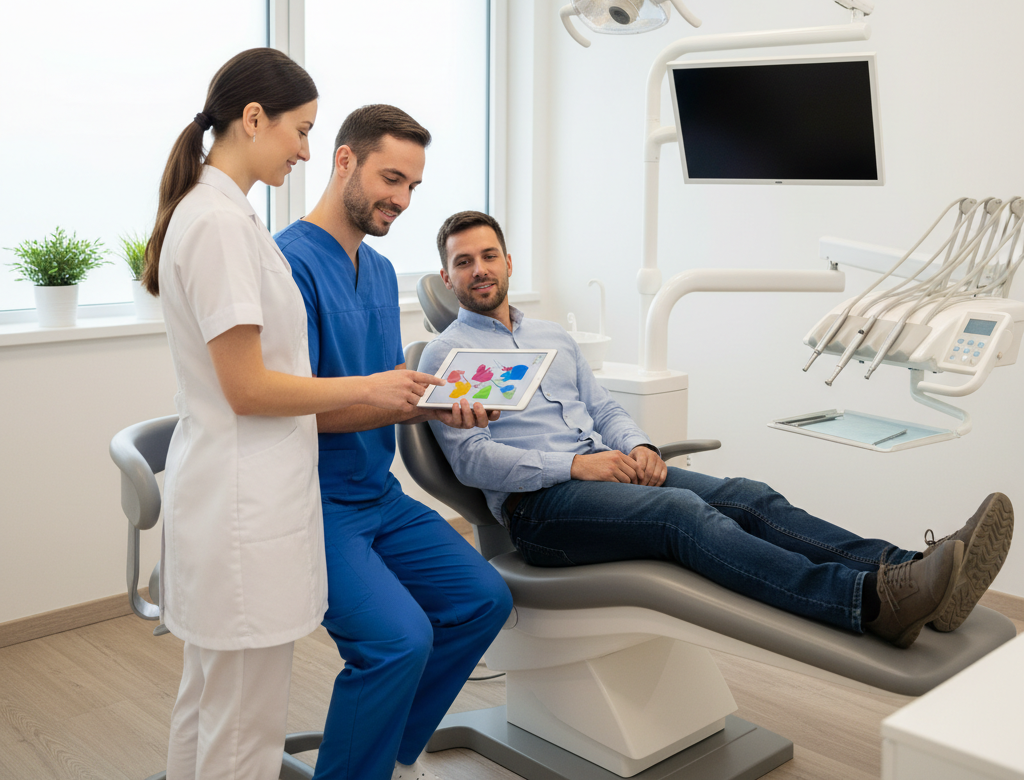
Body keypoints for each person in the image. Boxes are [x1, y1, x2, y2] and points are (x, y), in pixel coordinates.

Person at [420, 210, 1015, 650]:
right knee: (681, 513)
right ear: (448, 278)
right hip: (541, 512)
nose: (479, 270)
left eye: (488, 255)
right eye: (463, 262)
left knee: (746, 495)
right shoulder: (447, 359)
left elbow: (604, 411)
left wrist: (640, 445)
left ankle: (912, 569)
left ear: (508, 262)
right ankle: (869, 602)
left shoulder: (553, 336)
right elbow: (473, 461)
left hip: (612, 471)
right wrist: (576, 466)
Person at [144, 51, 442, 780]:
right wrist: (367, 391)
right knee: (244, 731)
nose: (306, 149)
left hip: (242, 498)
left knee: (211, 708)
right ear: (253, 119)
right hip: (246, 507)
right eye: (300, 130)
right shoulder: (217, 223)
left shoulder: (224, 215)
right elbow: (248, 387)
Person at [275, 106, 513, 780]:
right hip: (311, 502)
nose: (402, 200)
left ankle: (384, 755)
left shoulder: (380, 272)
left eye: (412, 186)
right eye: (390, 179)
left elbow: (382, 392)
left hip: (377, 494)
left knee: (483, 600)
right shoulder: (286, 265)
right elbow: (287, 407)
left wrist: (440, 406)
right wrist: (395, 399)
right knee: (397, 641)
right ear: (343, 161)